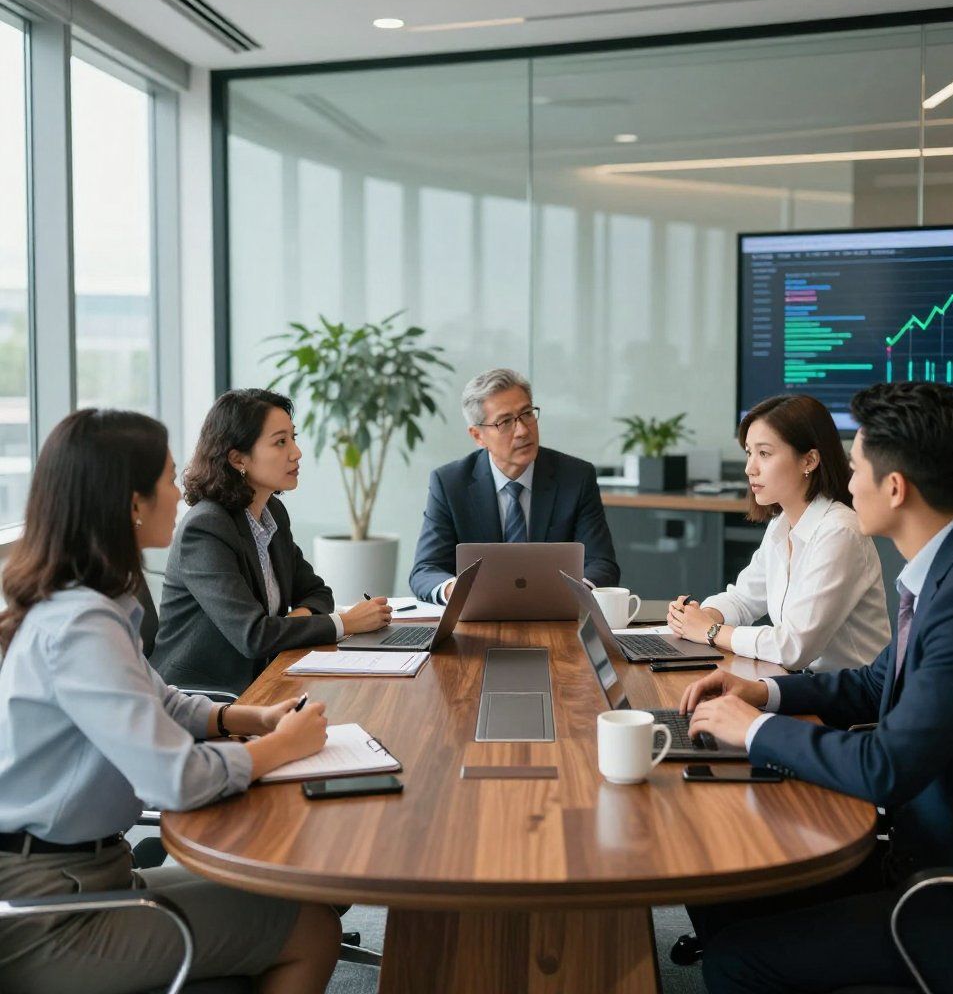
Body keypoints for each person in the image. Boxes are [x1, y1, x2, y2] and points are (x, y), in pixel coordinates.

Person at [683, 382, 953, 994]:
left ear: (895, 488)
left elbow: (888, 764)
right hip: (921, 851)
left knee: (737, 957)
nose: (849, 483)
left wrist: (755, 731)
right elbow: (874, 682)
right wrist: (765, 695)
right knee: (718, 891)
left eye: (858, 467)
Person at [0, 408, 342, 994]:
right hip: (50, 912)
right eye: (166, 479)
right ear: (130, 503)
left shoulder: (90, 602)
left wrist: (245, 717)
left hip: (88, 876)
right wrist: (278, 750)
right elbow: (174, 779)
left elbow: (161, 699)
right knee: (310, 929)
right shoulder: (82, 625)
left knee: (293, 899)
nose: (180, 492)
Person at [151, 388, 390, 696]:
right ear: (238, 458)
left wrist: (292, 623)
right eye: (280, 442)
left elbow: (317, 592)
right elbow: (254, 636)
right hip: (205, 694)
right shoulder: (206, 527)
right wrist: (345, 623)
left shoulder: (271, 513)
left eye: (293, 437)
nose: (296, 452)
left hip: (266, 676)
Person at [666, 394, 890, 672]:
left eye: (764, 453)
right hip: (804, 687)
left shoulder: (840, 532)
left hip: (851, 705)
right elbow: (744, 599)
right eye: (749, 453)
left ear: (809, 460)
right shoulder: (782, 523)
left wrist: (710, 631)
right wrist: (701, 616)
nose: (750, 468)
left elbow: (793, 647)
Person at [409, 368, 620, 603]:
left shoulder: (576, 477)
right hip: (479, 618)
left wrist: (571, 594)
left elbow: (602, 564)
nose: (522, 430)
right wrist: (454, 590)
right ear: (478, 435)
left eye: (527, 414)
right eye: (505, 422)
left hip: (556, 616)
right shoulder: (450, 483)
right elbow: (425, 570)